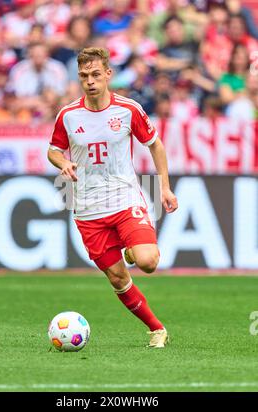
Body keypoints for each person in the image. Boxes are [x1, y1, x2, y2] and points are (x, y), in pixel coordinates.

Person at [47, 47, 178, 348]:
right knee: (118, 278)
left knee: (148, 262)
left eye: (95, 74)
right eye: (83, 76)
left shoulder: (128, 109)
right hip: (87, 209)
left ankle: (132, 248)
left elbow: (155, 145)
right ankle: (156, 329)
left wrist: (165, 188)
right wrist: (62, 162)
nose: (90, 81)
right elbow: (53, 149)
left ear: (108, 74)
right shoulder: (68, 115)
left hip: (123, 198)